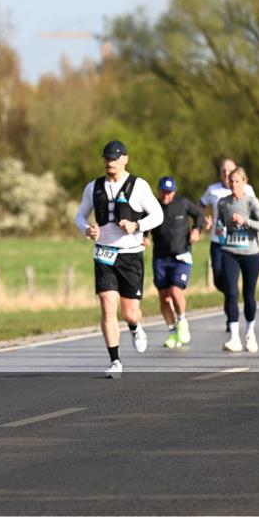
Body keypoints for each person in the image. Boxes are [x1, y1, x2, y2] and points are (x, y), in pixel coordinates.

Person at [75, 140, 164, 378]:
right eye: (106, 158)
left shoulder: (139, 186)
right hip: (104, 253)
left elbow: (158, 214)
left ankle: (134, 327)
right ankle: (115, 361)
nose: (109, 162)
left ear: (125, 159)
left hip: (131, 255)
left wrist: (137, 225)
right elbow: (79, 216)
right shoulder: (93, 187)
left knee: (130, 313)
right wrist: (87, 229)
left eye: (114, 158)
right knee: (107, 305)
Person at [215, 167, 259, 353]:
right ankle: (233, 337)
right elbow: (220, 224)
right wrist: (219, 229)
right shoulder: (222, 203)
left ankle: (250, 333)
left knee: (248, 295)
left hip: (251, 254)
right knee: (231, 292)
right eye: (231, 181)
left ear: (245, 182)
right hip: (229, 251)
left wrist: (245, 221)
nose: (234, 184)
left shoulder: (251, 202)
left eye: (237, 181)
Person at [145, 176, 204, 348]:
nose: (166, 196)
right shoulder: (152, 206)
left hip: (181, 256)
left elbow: (199, 216)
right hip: (160, 257)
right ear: (158, 190)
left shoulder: (183, 203)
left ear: (174, 192)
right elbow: (144, 224)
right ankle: (172, 332)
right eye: (163, 191)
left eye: (169, 192)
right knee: (164, 298)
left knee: (175, 292)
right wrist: (144, 237)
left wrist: (196, 231)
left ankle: (182, 321)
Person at [200, 159, 255, 331]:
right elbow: (201, 205)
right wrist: (205, 220)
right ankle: (231, 294)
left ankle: (232, 318)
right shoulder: (213, 190)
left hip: (240, 242)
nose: (226, 173)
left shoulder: (248, 190)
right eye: (223, 170)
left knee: (232, 287)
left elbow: (255, 211)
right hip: (218, 241)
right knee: (218, 279)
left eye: (229, 170)